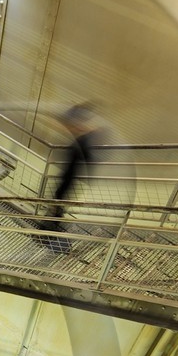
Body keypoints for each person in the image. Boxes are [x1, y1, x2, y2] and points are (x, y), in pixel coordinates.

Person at [41, 104, 103, 252]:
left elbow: (88, 159)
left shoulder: (82, 142)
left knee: (57, 204)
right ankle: (48, 232)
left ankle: (46, 234)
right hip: (69, 179)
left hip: (68, 180)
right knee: (57, 205)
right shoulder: (84, 140)